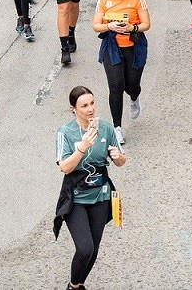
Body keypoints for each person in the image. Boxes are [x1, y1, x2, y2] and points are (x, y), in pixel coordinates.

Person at [53, 86, 125, 290]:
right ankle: (73, 286)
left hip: (101, 197)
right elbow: (65, 167)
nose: (90, 109)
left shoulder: (107, 128)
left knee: (93, 250)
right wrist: (82, 147)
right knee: (84, 249)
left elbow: (121, 160)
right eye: (84, 105)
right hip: (76, 199)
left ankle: (77, 285)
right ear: (73, 109)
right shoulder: (65, 132)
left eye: (92, 103)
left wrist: (119, 158)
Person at [93, 0, 150, 144]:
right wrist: (109, 27)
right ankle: (117, 128)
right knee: (116, 86)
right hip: (112, 46)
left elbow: (146, 24)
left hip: (133, 45)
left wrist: (131, 27)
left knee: (131, 85)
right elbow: (96, 25)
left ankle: (134, 97)